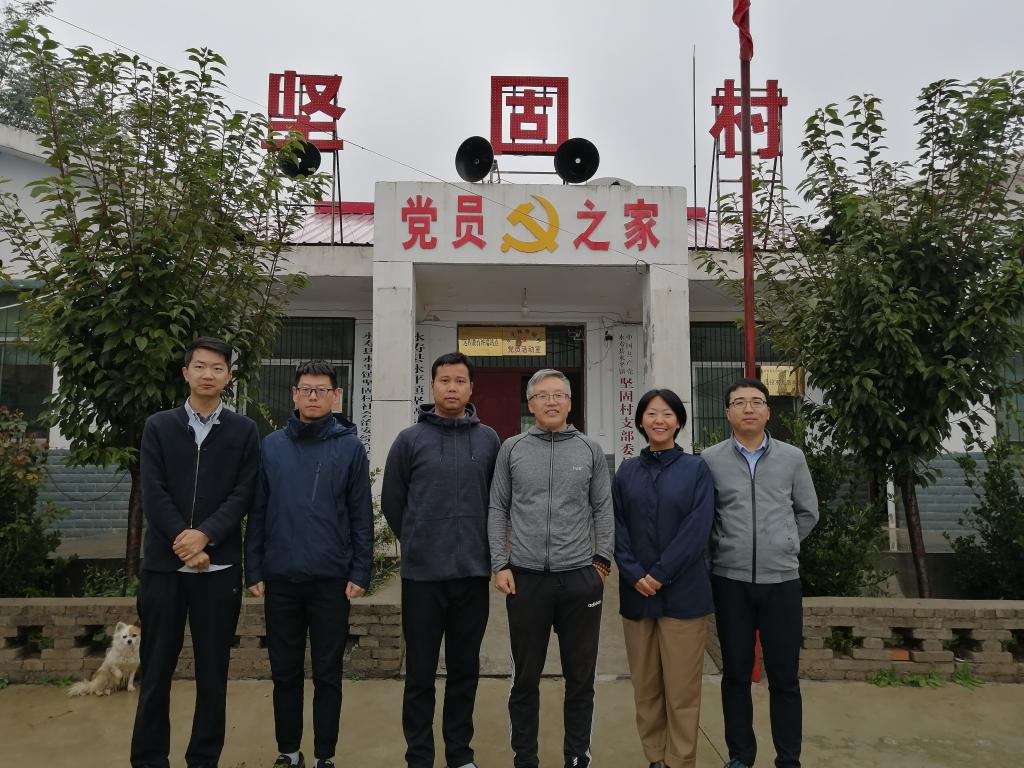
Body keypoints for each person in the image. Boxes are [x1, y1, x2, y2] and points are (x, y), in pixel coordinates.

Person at [131, 337, 260, 768]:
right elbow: (153, 490)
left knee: (212, 673)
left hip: (218, 570)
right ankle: (149, 759)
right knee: (155, 671)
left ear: (228, 376)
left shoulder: (244, 430)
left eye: (217, 368)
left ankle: (204, 759)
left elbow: (244, 492)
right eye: (200, 366)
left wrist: (205, 536)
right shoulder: (159, 426)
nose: (208, 374)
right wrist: (185, 544)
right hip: (163, 569)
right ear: (186, 372)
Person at [245, 360, 373, 768]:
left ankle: (323, 756)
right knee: (284, 672)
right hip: (280, 578)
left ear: (336, 396)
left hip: (331, 580)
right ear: (294, 394)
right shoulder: (272, 446)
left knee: (327, 674)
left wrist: (361, 569)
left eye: (321, 390)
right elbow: (258, 510)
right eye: (306, 389)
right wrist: (254, 567)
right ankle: (289, 751)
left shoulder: (349, 447)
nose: (313, 396)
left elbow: (361, 514)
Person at [487, 368, 614, 768]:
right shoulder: (512, 448)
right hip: (526, 580)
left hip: (579, 579)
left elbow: (603, 509)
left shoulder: (590, 450)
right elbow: (497, 507)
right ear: (530, 404)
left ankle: (577, 756)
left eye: (559, 394)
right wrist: (500, 563)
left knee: (581, 678)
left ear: (570, 403)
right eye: (543, 395)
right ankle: (525, 756)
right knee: (525, 678)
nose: (552, 401)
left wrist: (601, 562)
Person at [381, 351, 501, 768]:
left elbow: (498, 501)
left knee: (464, 672)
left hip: (472, 575)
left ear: (471, 388)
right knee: (419, 674)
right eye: (444, 380)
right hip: (422, 578)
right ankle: (419, 756)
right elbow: (392, 502)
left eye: (459, 381)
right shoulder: (409, 440)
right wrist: (417, 540)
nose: (452, 388)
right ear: (432, 386)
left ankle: (459, 754)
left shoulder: (488, 439)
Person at [699, 378, 819, 768]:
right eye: (739, 402)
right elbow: (705, 517)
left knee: (784, 677)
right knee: (735, 674)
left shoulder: (792, 457)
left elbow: (808, 512)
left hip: (781, 582)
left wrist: (784, 542)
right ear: (728, 412)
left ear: (768, 411)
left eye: (756, 401)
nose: (748, 408)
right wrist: (719, 553)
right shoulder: (710, 460)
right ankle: (740, 756)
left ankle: (788, 758)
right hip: (730, 582)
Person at [612, 388, 715, 768]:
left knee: (682, 689)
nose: (659, 420)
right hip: (636, 594)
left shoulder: (696, 470)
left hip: (683, 594)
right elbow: (616, 527)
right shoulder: (626, 471)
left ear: (678, 422)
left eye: (667, 414)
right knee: (646, 686)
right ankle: (655, 757)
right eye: (652, 414)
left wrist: (659, 573)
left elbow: (697, 528)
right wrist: (633, 572)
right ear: (640, 421)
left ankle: (679, 760)